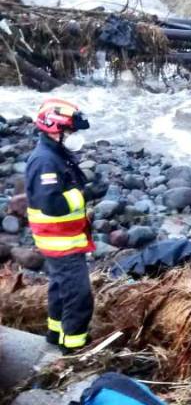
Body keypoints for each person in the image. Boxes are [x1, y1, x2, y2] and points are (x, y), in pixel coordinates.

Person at [25, 98, 95, 353]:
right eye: (70, 131)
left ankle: (55, 334)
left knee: (60, 288)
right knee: (79, 295)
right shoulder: (45, 161)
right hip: (60, 242)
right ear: (55, 130)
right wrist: (84, 195)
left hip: (63, 239)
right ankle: (74, 346)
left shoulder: (55, 153)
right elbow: (51, 203)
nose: (74, 136)